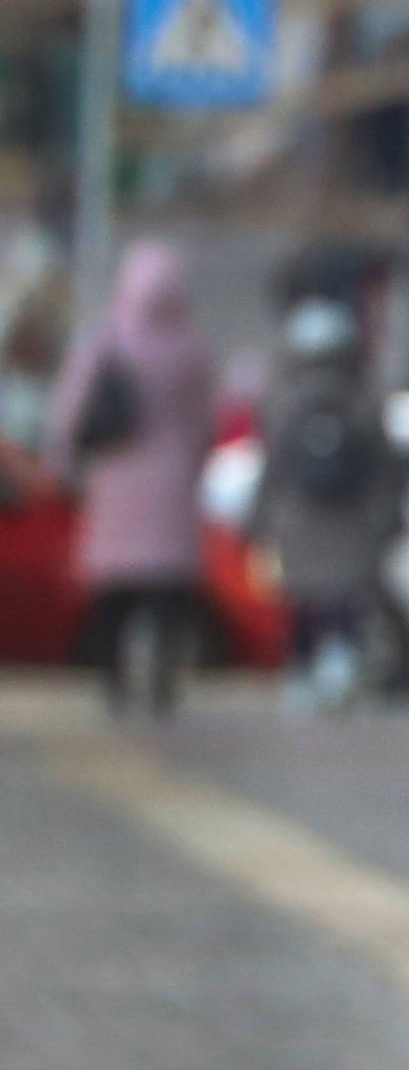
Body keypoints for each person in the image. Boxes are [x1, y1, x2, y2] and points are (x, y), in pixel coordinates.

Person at [47, 240, 219, 719]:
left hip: (114, 482)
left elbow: (70, 415)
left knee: (113, 593)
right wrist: (194, 465)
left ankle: (113, 680)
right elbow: (206, 420)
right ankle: (162, 682)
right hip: (172, 480)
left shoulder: (103, 342)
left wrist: (63, 467)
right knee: (166, 593)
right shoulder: (191, 348)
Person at [262, 295, 406, 708]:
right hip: (353, 521)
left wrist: (259, 520)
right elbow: (387, 466)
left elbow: (271, 467)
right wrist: (392, 516)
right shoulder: (364, 396)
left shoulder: (283, 399)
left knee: (301, 601)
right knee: (346, 601)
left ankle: (301, 672)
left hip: (298, 520)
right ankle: (339, 667)